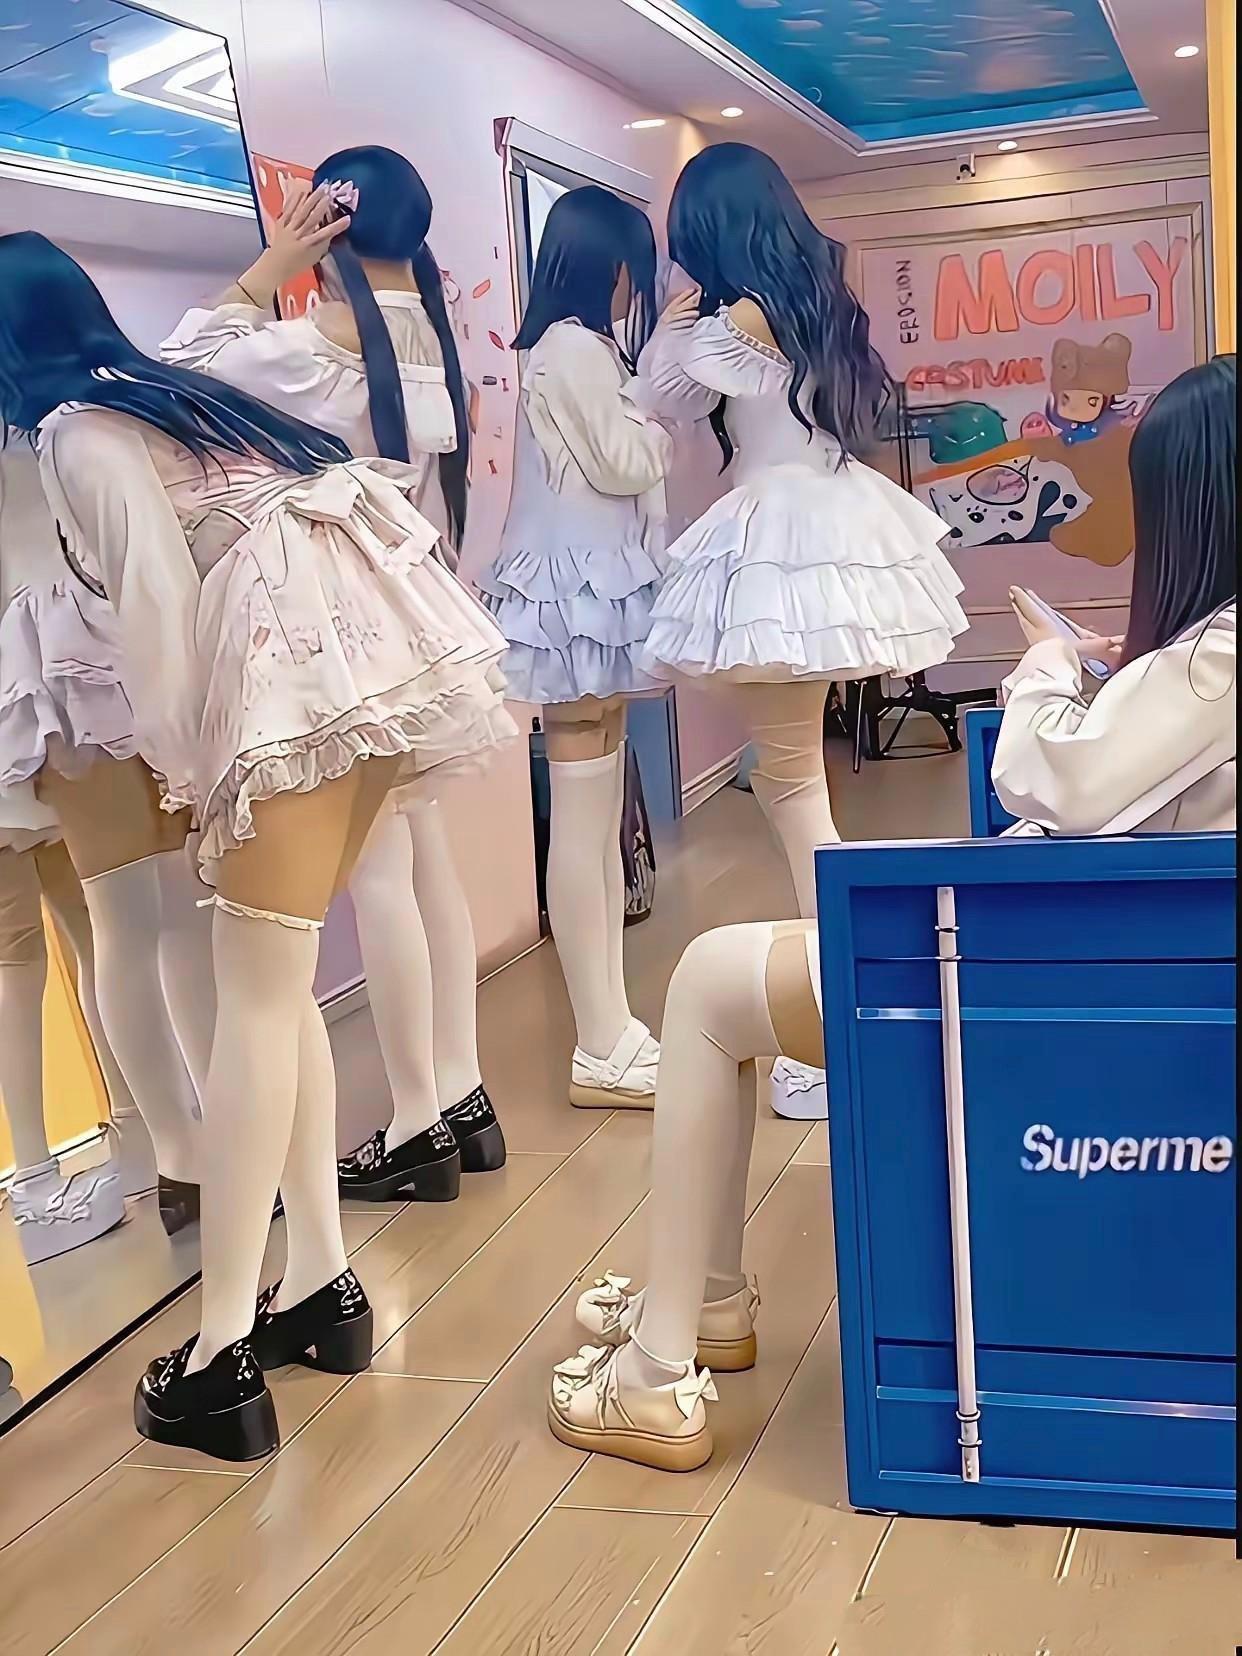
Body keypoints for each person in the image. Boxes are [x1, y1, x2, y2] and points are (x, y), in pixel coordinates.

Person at [547, 354, 1236, 1473]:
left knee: (706, 984)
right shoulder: (1209, 661)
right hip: (1118, 975)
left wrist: (1044, 669)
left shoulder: (1219, 659)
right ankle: (702, 1300)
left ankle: (659, 1367)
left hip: (1037, 981)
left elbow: (1056, 781)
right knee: (733, 966)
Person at [0, 230, 514, 1461]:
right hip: (382, 654)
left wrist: (191, 774)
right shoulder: (172, 395)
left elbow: (159, 613)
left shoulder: (76, 434)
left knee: (253, 1004)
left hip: (296, 675)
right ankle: (322, 1286)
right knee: (272, 998)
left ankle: (219, 1352)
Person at [162, 146, 508, 1202]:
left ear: (330, 219)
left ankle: (416, 1123)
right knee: (421, 861)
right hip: (416, 612)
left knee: (385, 874)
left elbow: (178, 361)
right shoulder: (431, 337)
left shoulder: (309, 344)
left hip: (340, 620)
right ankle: (458, 1094)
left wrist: (272, 262)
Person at [478, 186, 672, 1109]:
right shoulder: (575, 351)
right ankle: (599, 1041)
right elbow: (624, 464)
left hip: (584, 593)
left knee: (595, 826)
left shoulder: (566, 349)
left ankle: (612, 1028)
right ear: (612, 266)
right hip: (578, 597)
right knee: (586, 828)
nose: (639, 287)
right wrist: (658, 419)